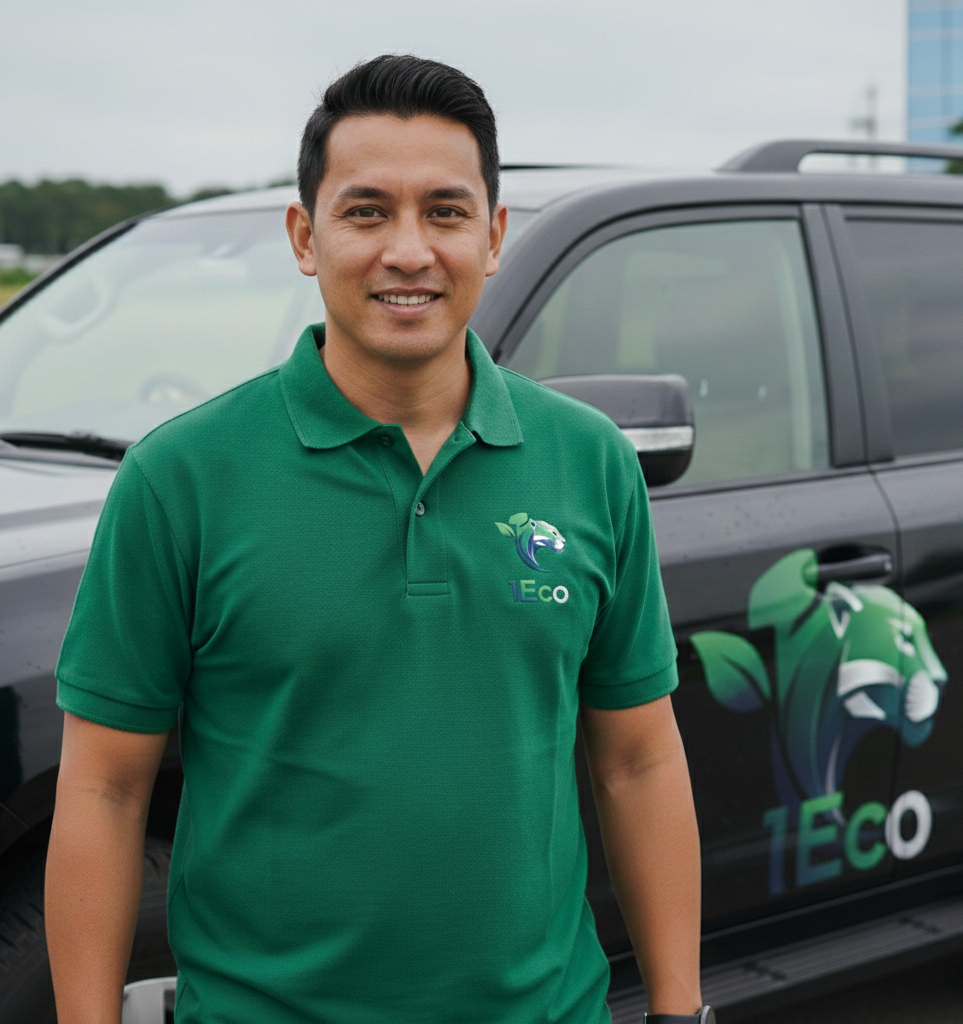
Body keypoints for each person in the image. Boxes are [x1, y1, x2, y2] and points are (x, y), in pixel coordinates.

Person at [44, 55, 704, 1024]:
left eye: (444, 212)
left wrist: (680, 1011)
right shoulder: (180, 477)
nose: (408, 250)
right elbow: (104, 789)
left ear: (492, 236)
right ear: (304, 237)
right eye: (366, 212)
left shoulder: (589, 461)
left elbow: (637, 760)